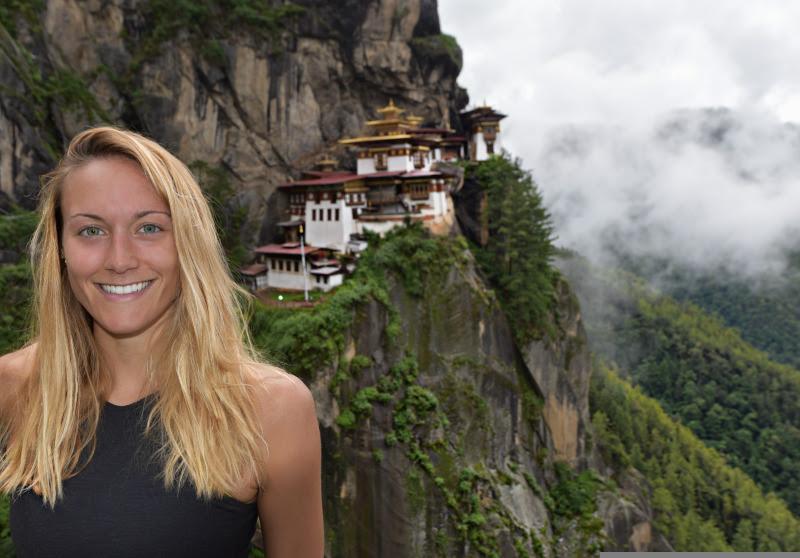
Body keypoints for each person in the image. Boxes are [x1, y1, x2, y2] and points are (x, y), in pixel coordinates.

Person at [0, 127, 323, 557]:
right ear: (60, 247)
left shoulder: (271, 411)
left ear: (187, 242)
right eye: (91, 232)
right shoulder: (13, 387)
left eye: (149, 227)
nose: (119, 259)